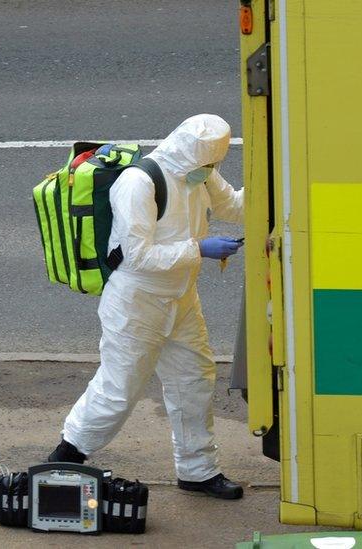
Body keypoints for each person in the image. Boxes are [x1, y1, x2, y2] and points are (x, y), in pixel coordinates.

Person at [46, 114, 246, 500]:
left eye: (214, 165)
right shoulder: (139, 182)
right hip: (137, 303)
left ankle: (198, 471)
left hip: (181, 298)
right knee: (119, 389)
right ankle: (64, 458)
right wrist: (199, 249)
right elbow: (136, 256)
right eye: (206, 164)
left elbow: (234, 207)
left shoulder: (199, 172)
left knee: (194, 382)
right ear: (187, 151)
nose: (210, 172)